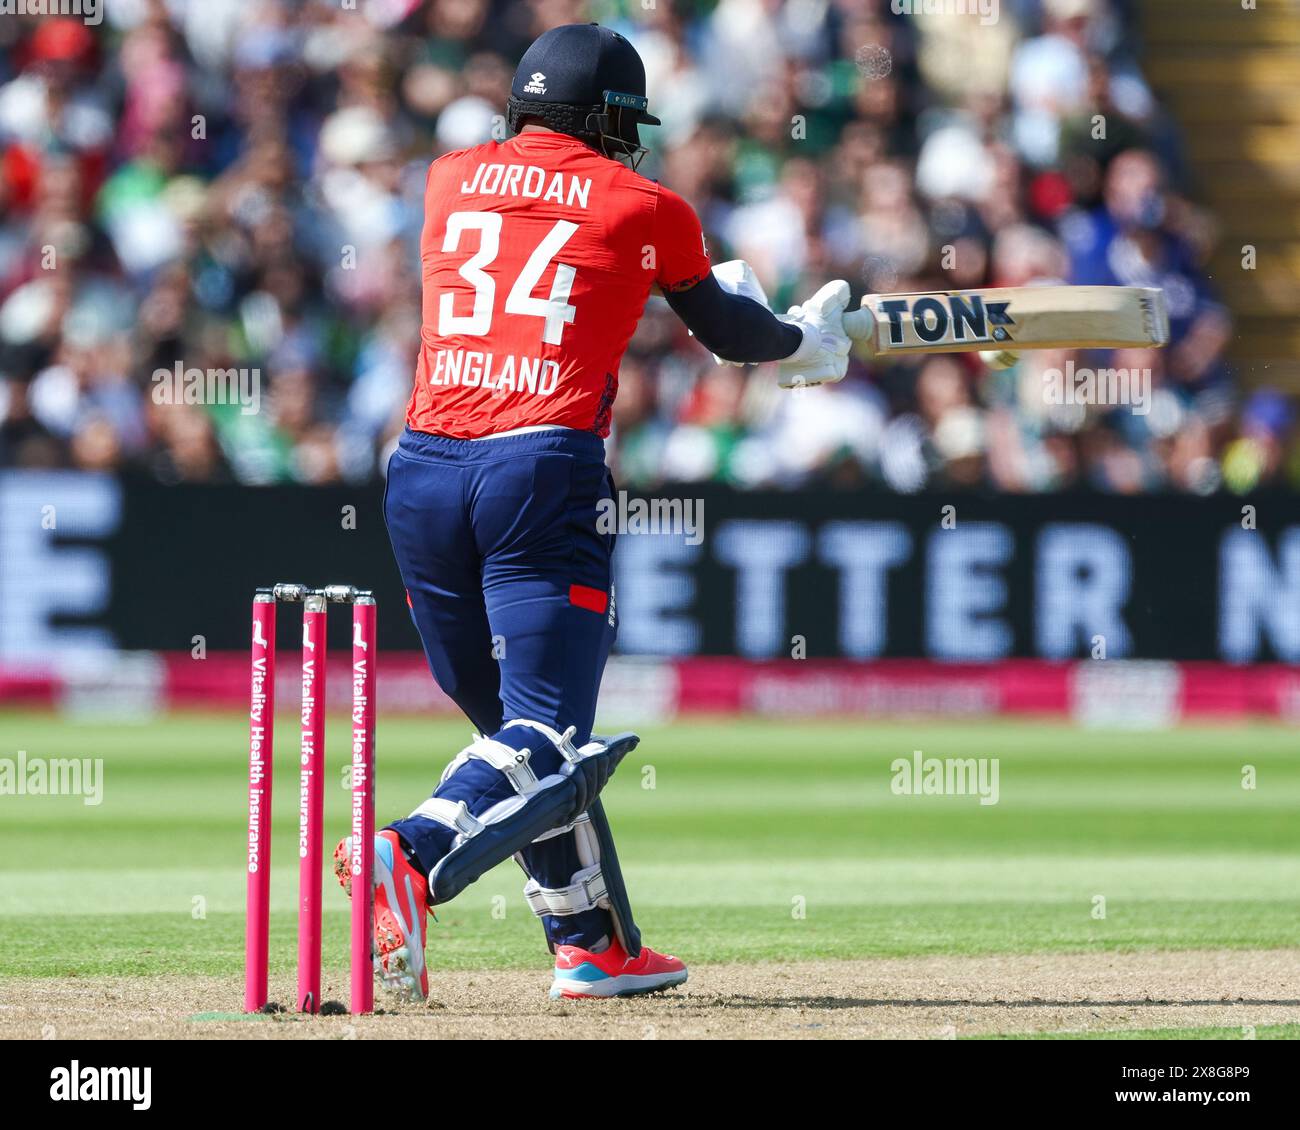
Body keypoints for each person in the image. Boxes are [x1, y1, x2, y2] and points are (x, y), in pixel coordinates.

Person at [334, 22, 851, 1001]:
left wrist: (740, 313)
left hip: (421, 470)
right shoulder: (650, 205)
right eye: (624, 124)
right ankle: (406, 851)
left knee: (510, 734)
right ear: (601, 118)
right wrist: (802, 340)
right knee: (549, 733)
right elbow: (729, 333)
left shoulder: (447, 177)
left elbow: (559, 259)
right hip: (540, 468)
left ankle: (590, 940)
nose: (633, 142)